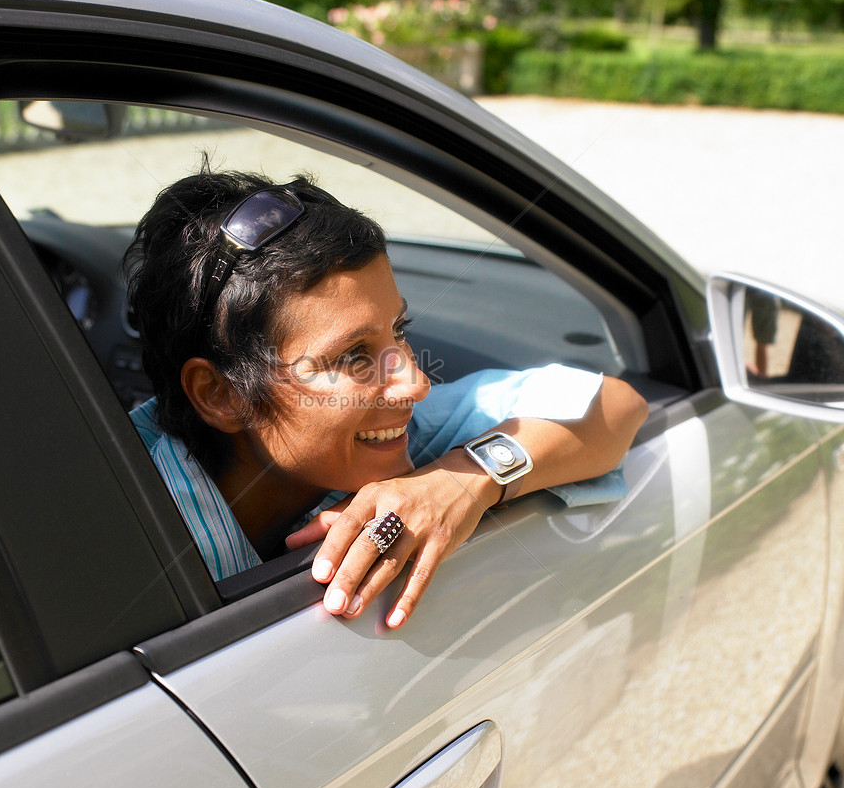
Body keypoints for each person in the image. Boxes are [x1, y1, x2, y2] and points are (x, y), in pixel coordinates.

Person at [125, 167, 648, 629]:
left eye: (400, 330)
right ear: (221, 394)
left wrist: (463, 480)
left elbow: (616, 405)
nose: (415, 383)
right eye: (354, 355)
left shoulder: (403, 441)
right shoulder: (118, 522)